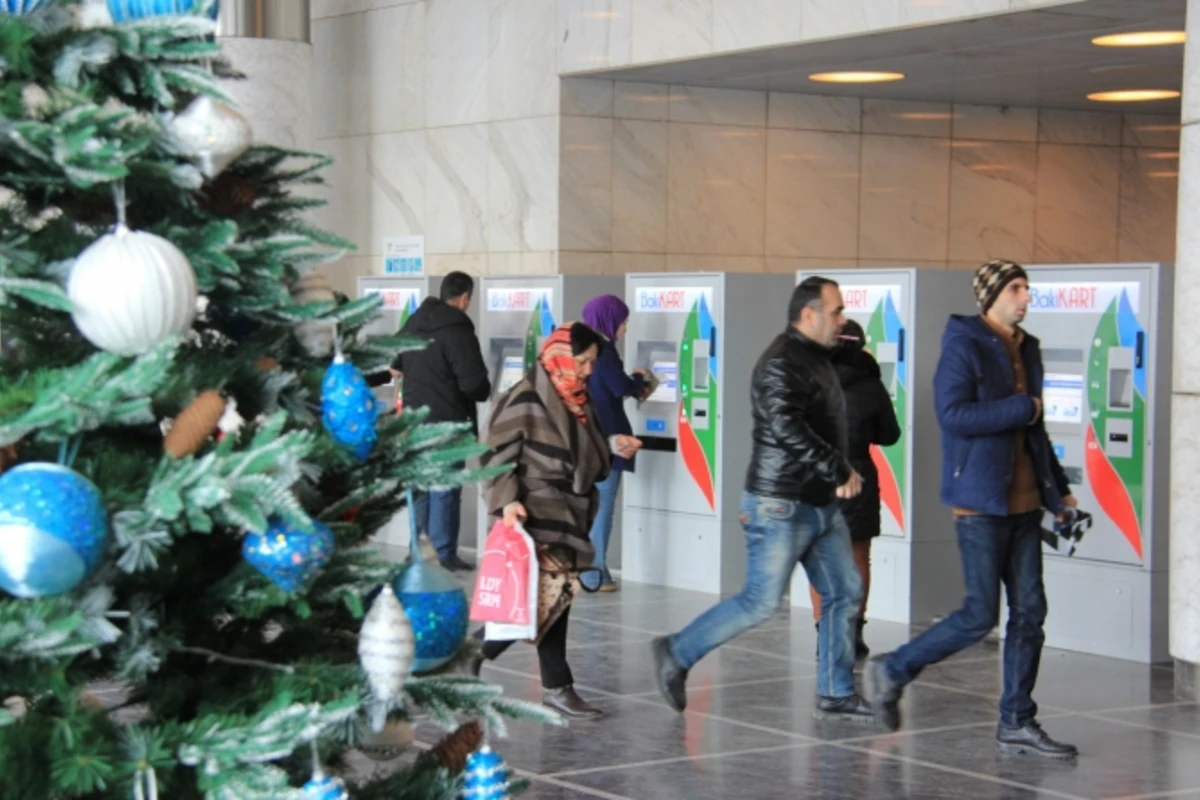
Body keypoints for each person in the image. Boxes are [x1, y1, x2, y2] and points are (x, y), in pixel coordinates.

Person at [864, 260, 1079, 759]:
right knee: (979, 614)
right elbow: (953, 414)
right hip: (980, 502)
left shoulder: (1029, 348)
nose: (1026, 297)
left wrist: (1059, 492)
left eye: (1027, 288)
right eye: (1017, 288)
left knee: (1031, 612)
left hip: (1025, 505)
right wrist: (1019, 408)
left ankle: (1017, 720)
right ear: (992, 296)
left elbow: (1037, 430)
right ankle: (893, 668)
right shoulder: (965, 343)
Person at [651, 277, 871, 721]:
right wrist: (838, 467)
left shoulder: (815, 357)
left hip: (818, 503)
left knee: (845, 590)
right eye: (835, 311)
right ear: (808, 315)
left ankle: (836, 690)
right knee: (760, 600)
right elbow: (788, 428)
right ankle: (676, 651)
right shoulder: (781, 363)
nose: (842, 319)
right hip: (780, 504)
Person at [473, 323, 641, 718]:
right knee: (549, 600)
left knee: (549, 601)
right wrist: (507, 502)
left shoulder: (578, 401)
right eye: (582, 361)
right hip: (537, 512)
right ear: (560, 356)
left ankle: (474, 658)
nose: (586, 370)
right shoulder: (524, 397)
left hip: (569, 512)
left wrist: (615, 445)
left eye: (592, 363)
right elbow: (492, 456)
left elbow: (588, 449)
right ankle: (554, 685)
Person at [809, 319, 901, 659]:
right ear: (861, 347)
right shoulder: (870, 385)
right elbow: (890, 435)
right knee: (859, 555)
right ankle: (854, 633)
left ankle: (824, 633)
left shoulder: (810, 381)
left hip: (817, 475)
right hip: (859, 475)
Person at [391, 272, 490, 572]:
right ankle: (442, 554)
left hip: (414, 422)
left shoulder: (414, 322)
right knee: (445, 490)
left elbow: (394, 365)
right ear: (464, 298)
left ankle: (419, 551)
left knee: (421, 488)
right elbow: (475, 386)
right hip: (448, 422)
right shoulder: (458, 331)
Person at [580, 294, 650, 593]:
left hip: (587, 437)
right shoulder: (605, 352)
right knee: (603, 507)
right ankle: (594, 573)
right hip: (609, 439)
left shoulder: (580, 349)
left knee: (590, 506)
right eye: (622, 321)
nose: (624, 328)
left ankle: (594, 569)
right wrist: (640, 381)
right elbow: (619, 386)